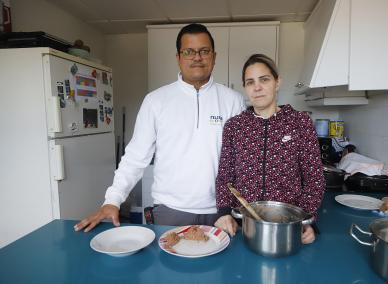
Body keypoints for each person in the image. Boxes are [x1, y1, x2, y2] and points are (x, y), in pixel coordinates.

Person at [74, 23, 245, 232]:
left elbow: (244, 162)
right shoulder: (156, 101)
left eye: (204, 51)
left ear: (214, 56)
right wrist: (113, 200)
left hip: (221, 212)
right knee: (166, 265)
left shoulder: (233, 101)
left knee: (222, 265)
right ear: (178, 58)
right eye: (189, 51)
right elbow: (136, 157)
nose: (197, 57)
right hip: (169, 211)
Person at [214, 54, 325, 244]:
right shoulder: (235, 126)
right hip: (243, 228)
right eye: (250, 82)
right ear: (245, 88)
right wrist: (224, 213)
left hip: (289, 229)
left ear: (277, 82)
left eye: (264, 79)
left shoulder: (299, 123)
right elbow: (225, 176)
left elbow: (314, 177)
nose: (257, 87)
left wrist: (307, 220)